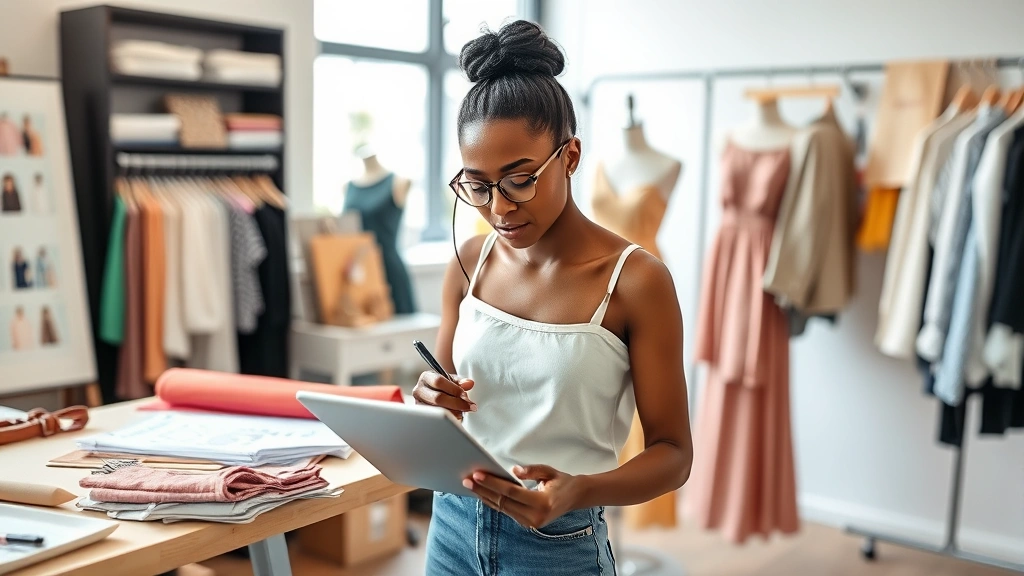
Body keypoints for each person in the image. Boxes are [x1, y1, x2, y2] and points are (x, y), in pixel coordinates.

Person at [413, 21, 692, 575]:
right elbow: (446, 404)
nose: (499, 208)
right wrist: (427, 397)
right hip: (450, 528)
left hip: (558, 547)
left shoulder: (636, 282)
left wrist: (577, 491)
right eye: (478, 184)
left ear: (570, 156)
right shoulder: (468, 262)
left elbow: (674, 456)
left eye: (520, 179)